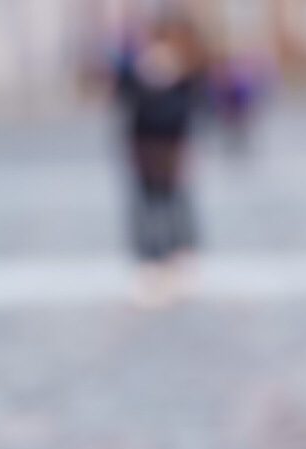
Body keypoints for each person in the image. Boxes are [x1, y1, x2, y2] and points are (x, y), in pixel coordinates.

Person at [114, 11, 209, 308]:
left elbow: (192, 109)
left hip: (173, 148)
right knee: (147, 207)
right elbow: (125, 101)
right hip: (145, 147)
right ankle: (150, 264)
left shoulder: (188, 70)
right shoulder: (137, 68)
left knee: (176, 205)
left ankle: (180, 260)